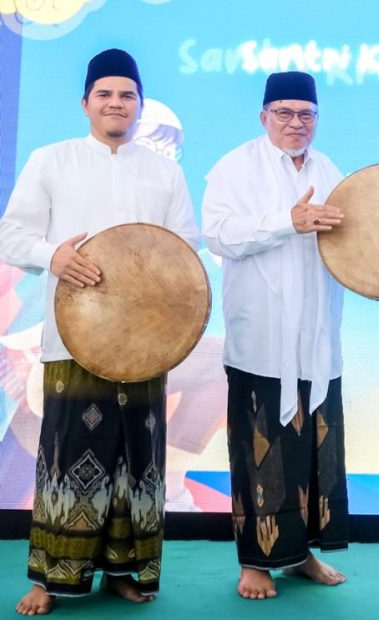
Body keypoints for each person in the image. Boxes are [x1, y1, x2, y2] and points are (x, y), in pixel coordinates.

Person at [0, 49, 198, 616]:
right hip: (75, 336)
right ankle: (49, 577)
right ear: (85, 102)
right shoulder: (51, 160)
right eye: (106, 94)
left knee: (139, 463)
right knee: (68, 458)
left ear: (140, 105)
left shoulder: (165, 171)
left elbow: (183, 252)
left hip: (146, 344)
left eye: (128, 95)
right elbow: (11, 235)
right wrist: (53, 256)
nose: (117, 103)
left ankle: (124, 572)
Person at [202, 71, 349, 600]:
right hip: (261, 339)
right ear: (264, 116)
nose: (295, 123)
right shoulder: (234, 167)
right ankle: (254, 562)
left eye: (306, 114)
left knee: (311, 451)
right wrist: (288, 220)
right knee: (258, 450)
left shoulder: (330, 169)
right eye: (284, 113)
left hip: (317, 339)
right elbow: (218, 234)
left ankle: (300, 554)